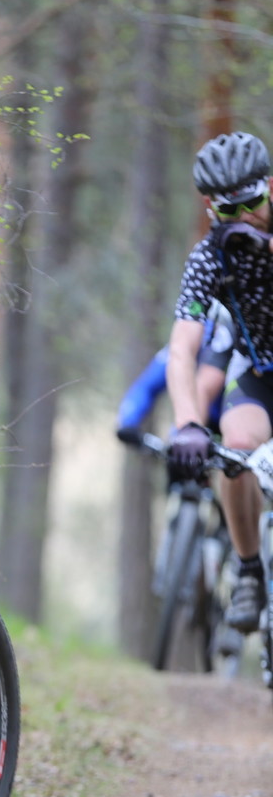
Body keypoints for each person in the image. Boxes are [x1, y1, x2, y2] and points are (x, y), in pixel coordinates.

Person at [167, 130, 273, 634]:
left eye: (252, 201)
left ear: (270, 187)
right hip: (260, 374)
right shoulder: (208, 258)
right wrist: (187, 422)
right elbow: (183, 347)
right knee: (235, 448)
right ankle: (250, 569)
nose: (245, 216)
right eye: (230, 210)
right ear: (210, 207)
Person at [116, 299, 235, 438]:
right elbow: (146, 385)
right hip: (199, 426)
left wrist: (180, 433)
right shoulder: (183, 345)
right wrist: (127, 422)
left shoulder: (227, 341)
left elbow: (204, 390)